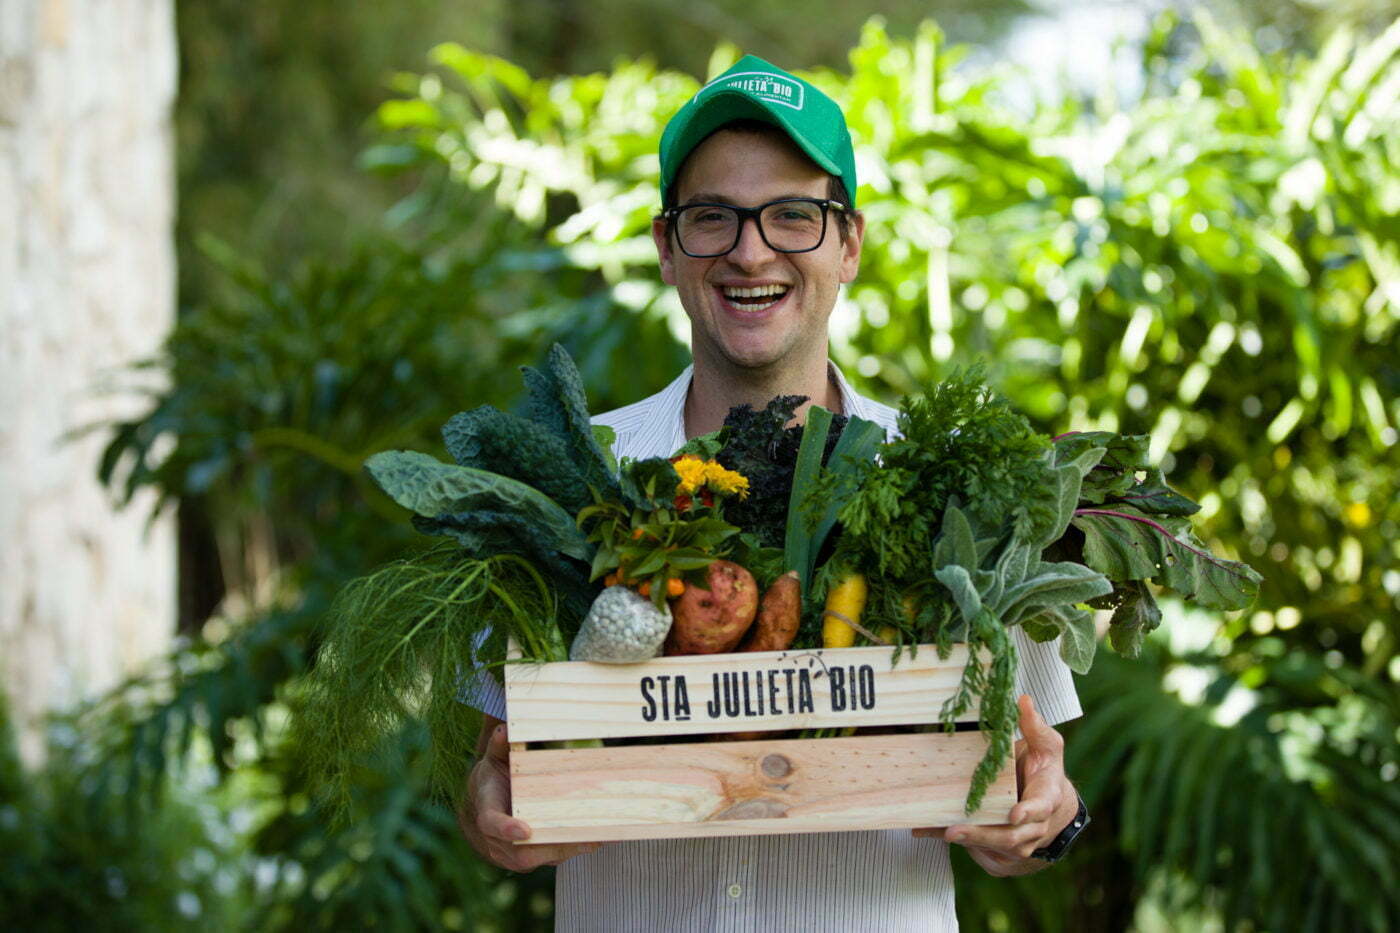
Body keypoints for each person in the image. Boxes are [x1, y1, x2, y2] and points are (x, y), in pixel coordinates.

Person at [458, 55, 1088, 931]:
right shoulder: (573, 475)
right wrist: (486, 804)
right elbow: (488, 764)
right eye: (714, 218)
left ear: (850, 244)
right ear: (667, 248)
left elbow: (1037, 777)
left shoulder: (954, 487)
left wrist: (1045, 820)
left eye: (793, 215)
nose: (751, 250)